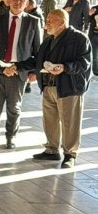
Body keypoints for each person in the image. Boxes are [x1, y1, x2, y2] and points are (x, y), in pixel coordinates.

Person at [6, 9, 92, 168]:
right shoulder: (49, 39)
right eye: (47, 19)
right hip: (48, 86)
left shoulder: (79, 38)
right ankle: (52, 150)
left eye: (51, 20)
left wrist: (65, 67)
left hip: (69, 88)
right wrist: (17, 67)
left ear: (62, 22)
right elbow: (37, 60)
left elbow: (84, 63)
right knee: (50, 120)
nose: (47, 23)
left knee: (70, 123)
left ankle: (70, 154)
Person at [0, 0, 42, 149]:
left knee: (14, 107)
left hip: (19, 71)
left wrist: (33, 72)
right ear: (9, 0)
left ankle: (11, 136)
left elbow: (37, 50)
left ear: (27, 2)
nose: (18, 2)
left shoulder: (33, 21)